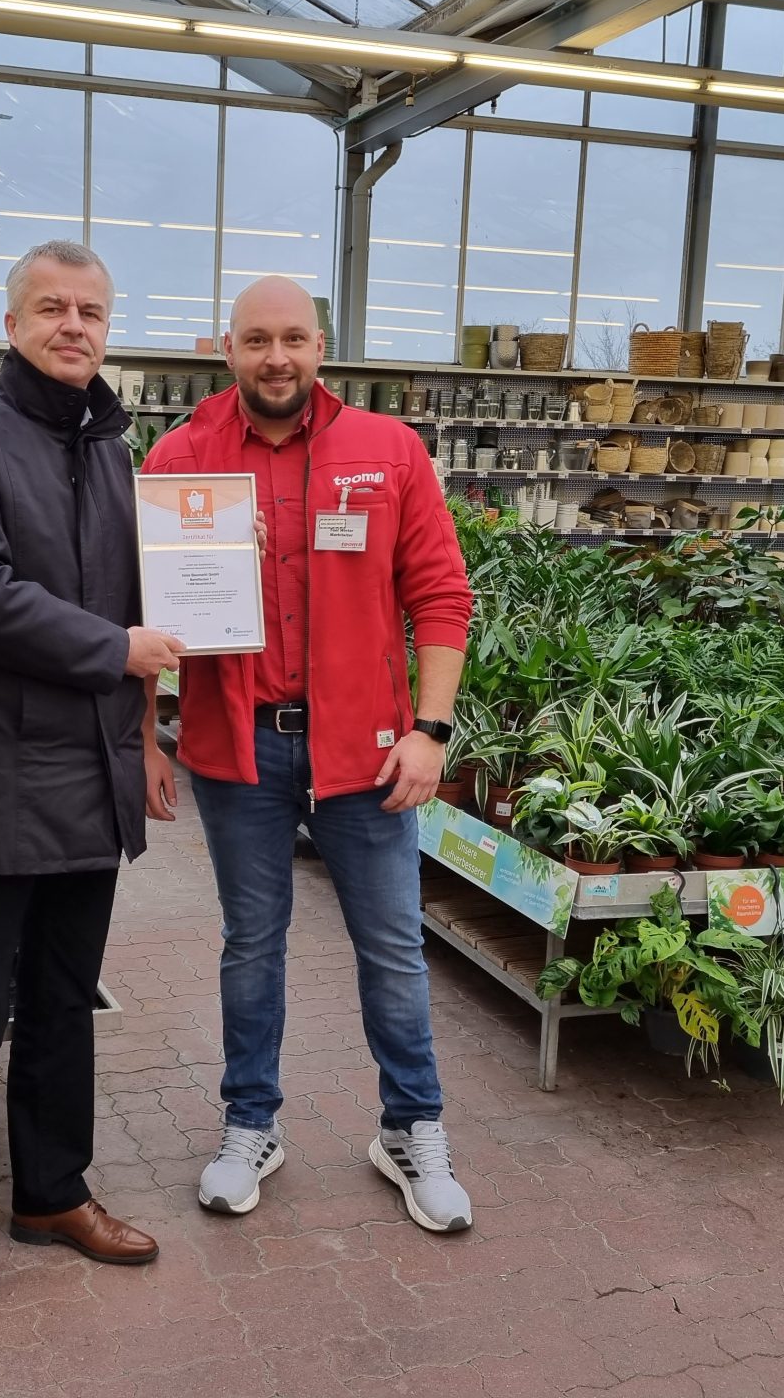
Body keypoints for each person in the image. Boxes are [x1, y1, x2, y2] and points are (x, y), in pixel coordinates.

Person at [140, 275, 475, 1233]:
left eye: (293, 338)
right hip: (235, 747)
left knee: (392, 948)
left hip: (366, 751)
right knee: (252, 946)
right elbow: (150, 614)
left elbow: (440, 597)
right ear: (227, 348)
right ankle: (252, 1125)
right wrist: (145, 739)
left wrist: (431, 729)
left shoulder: (386, 450)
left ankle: (411, 1130)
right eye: (256, 340)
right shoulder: (183, 455)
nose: (275, 357)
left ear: (321, 346)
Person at [0, 239, 185, 1346]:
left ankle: (51, 1193)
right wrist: (115, 651)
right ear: (13, 323)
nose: (76, 326)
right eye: (53, 309)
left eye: (93, 312)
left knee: (68, 1003)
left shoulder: (117, 454)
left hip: (93, 769)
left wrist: (150, 731)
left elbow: (143, 599)